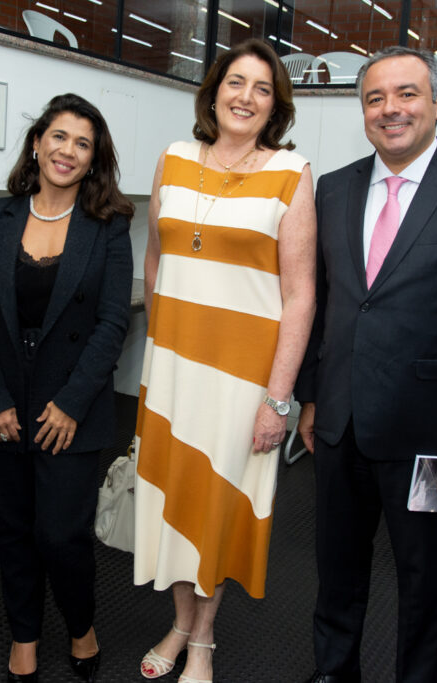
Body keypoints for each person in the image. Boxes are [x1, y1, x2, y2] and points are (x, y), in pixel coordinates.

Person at [294, 46, 437, 683]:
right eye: (375, 98)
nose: (390, 109)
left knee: (424, 582)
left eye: (407, 94)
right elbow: (326, 305)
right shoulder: (333, 189)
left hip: (435, 439)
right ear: (362, 110)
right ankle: (333, 672)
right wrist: (312, 397)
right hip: (339, 426)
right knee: (336, 572)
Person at [133, 39, 316, 683]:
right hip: (175, 370)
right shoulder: (174, 159)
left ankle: (203, 638)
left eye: (262, 88)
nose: (245, 97)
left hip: (243, 380)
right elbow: (157, 259)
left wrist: (278, 397)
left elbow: (300, 294)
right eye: (235, 82)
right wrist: (163, 343)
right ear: (213, 93)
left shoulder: (292, 172)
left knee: (218, 505)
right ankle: (181, 622)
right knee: (177, 501)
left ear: (276, 106)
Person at [0, 93, 134, 683]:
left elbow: (112, 323)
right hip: (1, 399)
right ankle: (24, 635)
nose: (68, 151)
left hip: (70, 405)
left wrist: (73, 402)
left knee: (62, 534)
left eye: (83, 143)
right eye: (59, 137)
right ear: (36, 143)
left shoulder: (109, 227)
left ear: (93, 159)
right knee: (14, 529)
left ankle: (81, 625)